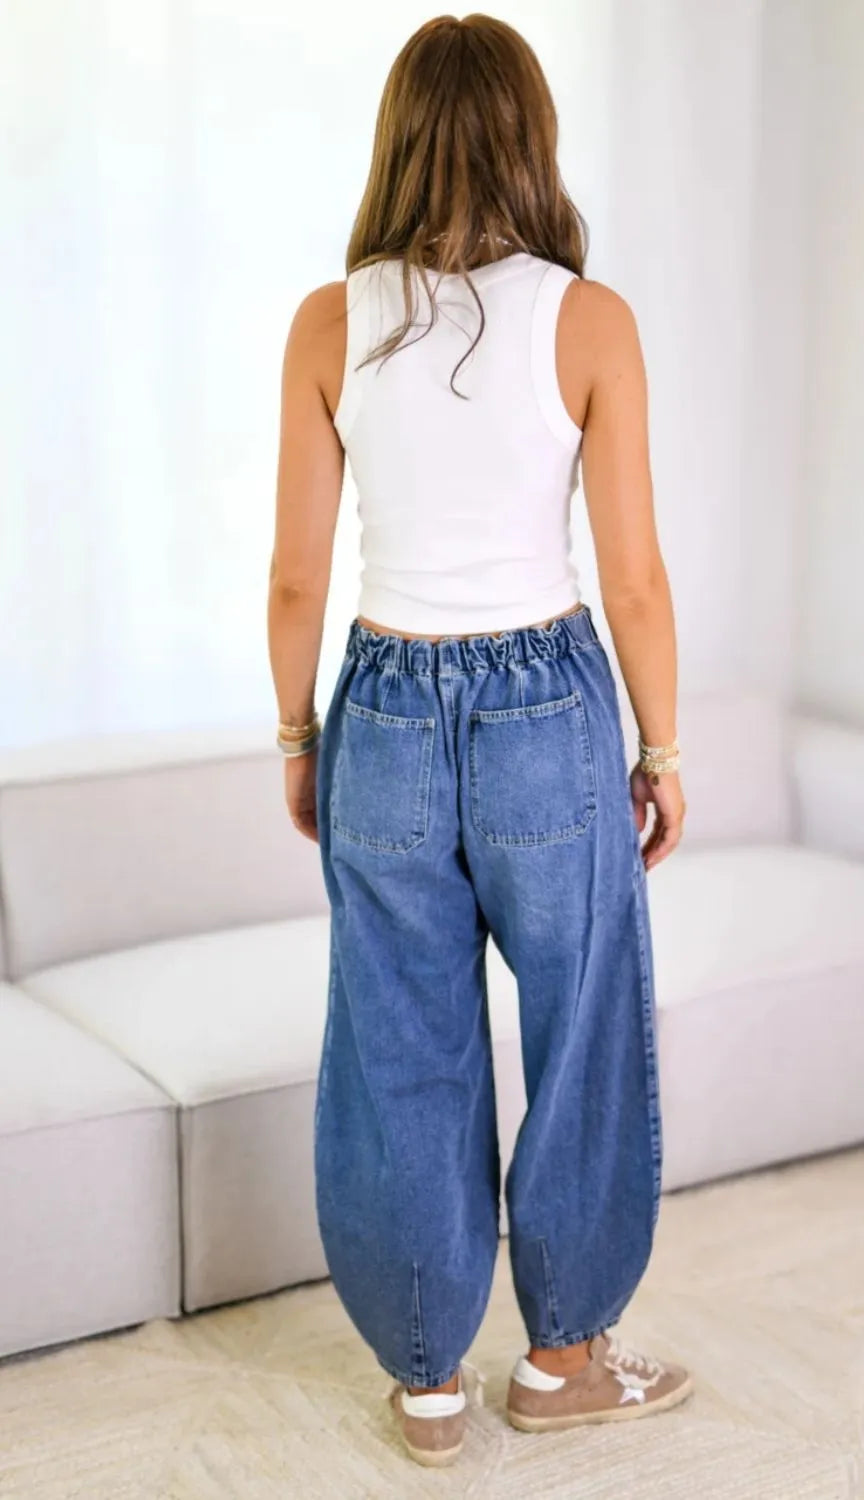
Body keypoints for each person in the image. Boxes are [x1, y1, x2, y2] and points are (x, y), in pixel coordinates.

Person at [267, 12, 690, 1469]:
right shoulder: (589, 319)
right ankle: (563, 1359)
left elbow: (297, 580)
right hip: (546, 710)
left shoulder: (329, 323)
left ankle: (428, 1378)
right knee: (581, 1029)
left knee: (400, 1040)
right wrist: (662, 750)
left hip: (382, 702)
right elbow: (635, 578)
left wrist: (299, 733)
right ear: (532, 141)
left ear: (397, 139)